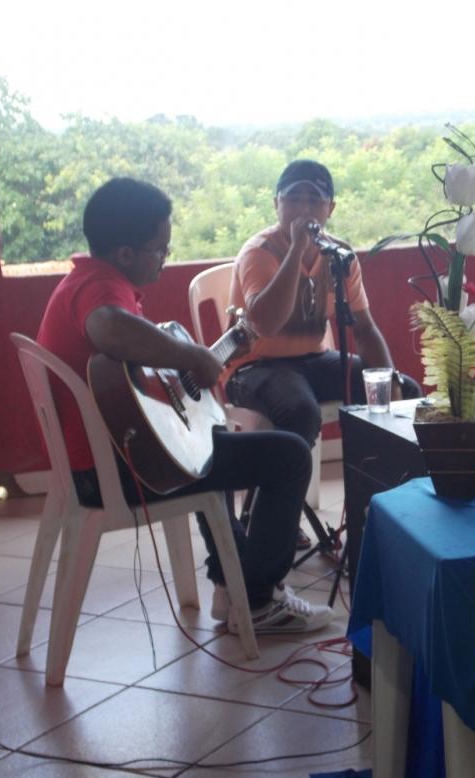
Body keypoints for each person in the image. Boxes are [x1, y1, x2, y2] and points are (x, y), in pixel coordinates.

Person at [37, 176, 333, 635]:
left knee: (207, 441)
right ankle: (257, 599)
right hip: (116, 474)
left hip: (106, 461)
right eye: (160, 249)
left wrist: (190, 378)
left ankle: (232, 586)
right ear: (125, 255)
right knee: (290, 457)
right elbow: (109, 328)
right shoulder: (100, 290)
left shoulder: (87, 279)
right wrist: (190, 355)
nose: (164, 259)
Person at [225, 159, 418, 450]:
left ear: (330, 209)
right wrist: (297, 249)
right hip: (253, 367)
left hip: (313, 360)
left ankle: (379, 486)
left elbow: (364, 329)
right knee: (299, 410)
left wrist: (389, 381)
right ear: (276, 203)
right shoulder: (260, 252)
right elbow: (265, 323)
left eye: (315, 200)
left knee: (405, 390)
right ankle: (289, 495)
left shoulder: (339, 255)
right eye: (293, 199)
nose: (303, 209)